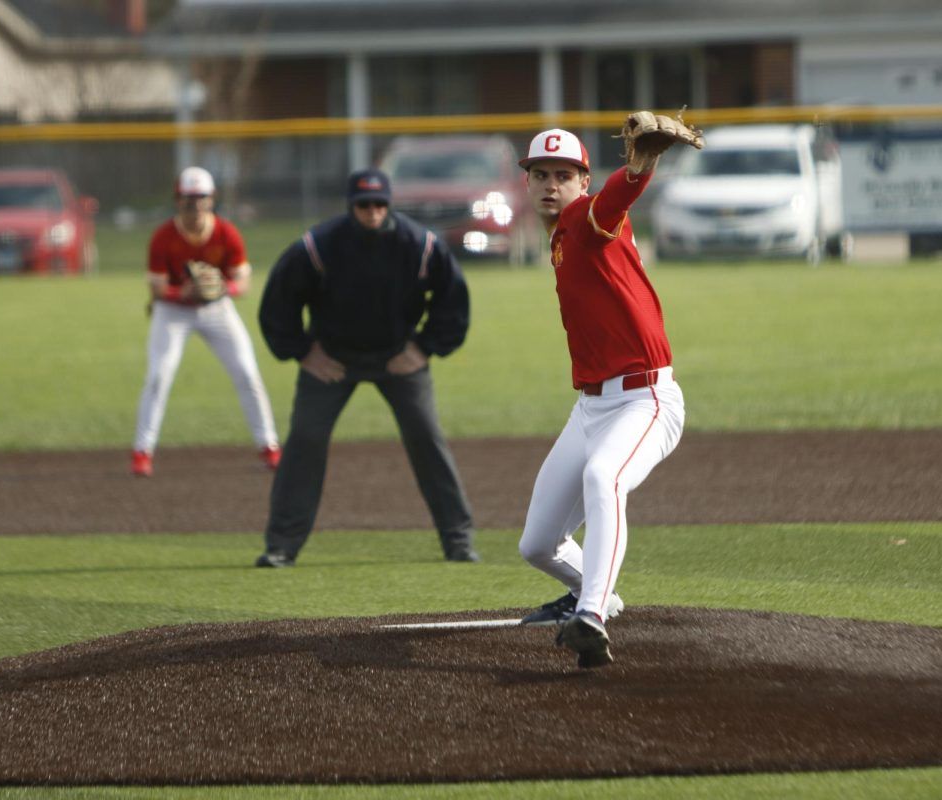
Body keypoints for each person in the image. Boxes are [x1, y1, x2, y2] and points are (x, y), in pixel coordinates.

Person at [515, 121, 691, 669]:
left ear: (583, 180)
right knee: (538, 544)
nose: (550, 184)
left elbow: (612, 201)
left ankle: (590, 614)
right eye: (540, 174)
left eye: (563, 175)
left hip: (645, 400)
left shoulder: (585, 218)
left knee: (603, 478)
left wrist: (638, 170)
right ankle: (597, 593)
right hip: (591, 406)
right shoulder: (561, 237)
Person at [255, 168, 478, 566]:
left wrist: (425, 348)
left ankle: (458, 541)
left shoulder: (420, 244)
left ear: (389, 205)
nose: (372, 212)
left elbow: (453, 301)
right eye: (363, 205)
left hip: (398, 357)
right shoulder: (319, 246)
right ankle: (281, 546)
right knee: (305, 439)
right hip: (332, 359)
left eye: (379, 204)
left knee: (426, 437)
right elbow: (278, 302)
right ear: (350, 206)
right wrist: (303, 351)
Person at [131, 166, 281, 477]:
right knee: (159, 376)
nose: (195, 205)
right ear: (178, 201)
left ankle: (269, 446)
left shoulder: (226, 233)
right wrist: (181, 292)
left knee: (247, 373)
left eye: (200, 198)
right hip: (173, 312)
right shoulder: (164, 237)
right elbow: (157, 289)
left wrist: (225, 288)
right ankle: (142, 451)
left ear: (211, 200)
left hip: (217, 309)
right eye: (188, 199)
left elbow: (243, 282)